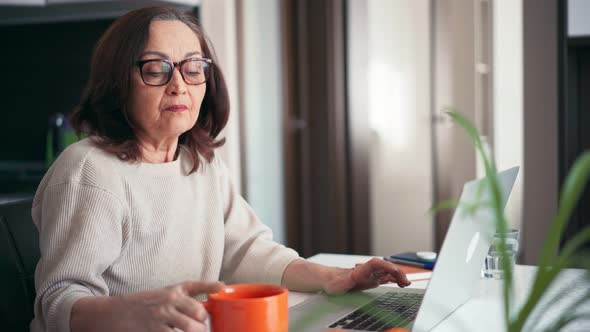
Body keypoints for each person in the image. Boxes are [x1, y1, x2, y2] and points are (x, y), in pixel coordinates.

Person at [31, 6, 410, 332]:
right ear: (117, 84)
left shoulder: (201, 162)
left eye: (193, 68)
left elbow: (246, 250)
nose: (179, 84)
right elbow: (58, 303)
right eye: (157, 68)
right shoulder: (90, 171)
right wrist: (129, 310)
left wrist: (336, 278)